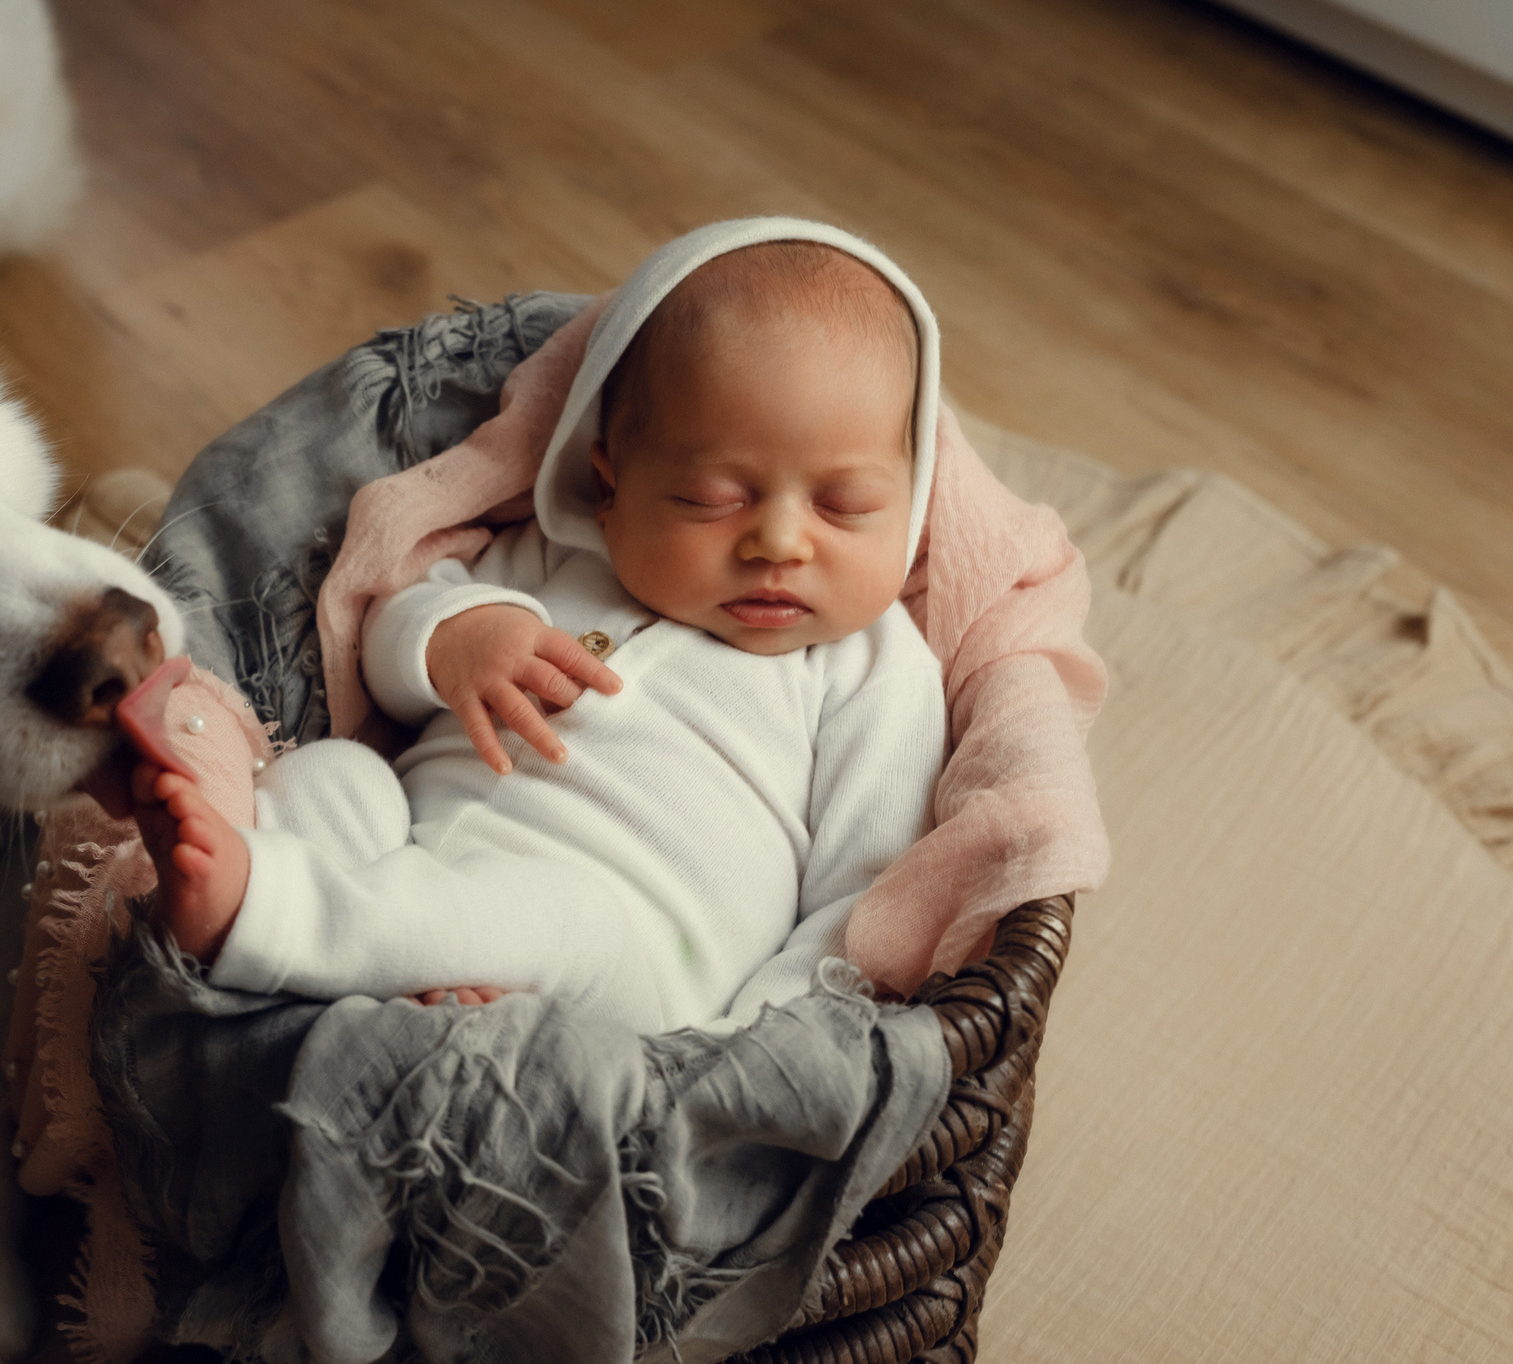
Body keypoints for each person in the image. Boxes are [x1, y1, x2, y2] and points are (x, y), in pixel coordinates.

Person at [130, 219, 950, 1031]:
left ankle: (266, 918)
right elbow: (384, 642)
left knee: (564, 915)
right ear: (610, 486)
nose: (778, 541)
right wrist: (453, 637)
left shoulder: (873, 666)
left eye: (845, 506)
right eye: (711, 499)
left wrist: (747, 1050)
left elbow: (864, 903)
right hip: (411, 860)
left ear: (908, 505)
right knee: (339, 775)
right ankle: (304, 958)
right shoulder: (558, 560)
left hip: (630, 974)